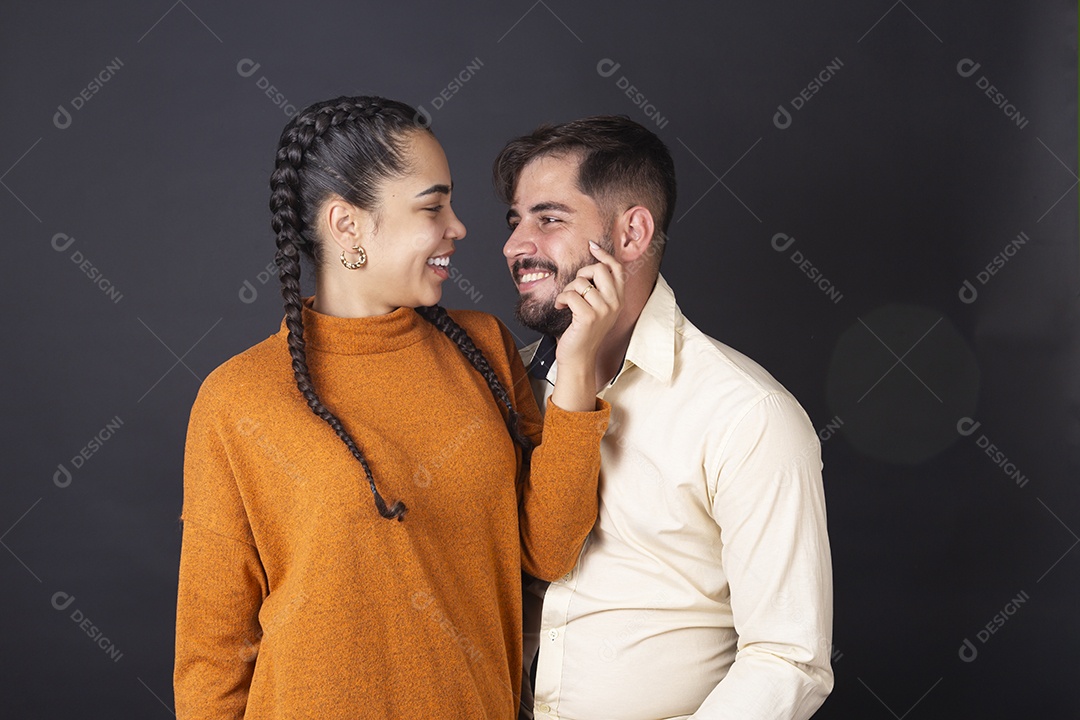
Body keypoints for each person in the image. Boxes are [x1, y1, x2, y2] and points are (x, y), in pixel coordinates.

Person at [173, 96, 625, 719]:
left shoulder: (483, 348)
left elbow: (547, 550)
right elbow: (213, 655)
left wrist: (577, 370)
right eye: (433, 207)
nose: (459, 227)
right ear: (348, 225)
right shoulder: (238, 398)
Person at [493, 116, 834, 720]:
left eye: (548, 219)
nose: (516, 246)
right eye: (515, 220)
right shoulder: (502, 388)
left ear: (631, 234)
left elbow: (787, 657)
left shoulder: (746, 414)